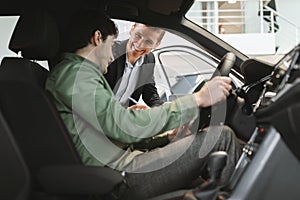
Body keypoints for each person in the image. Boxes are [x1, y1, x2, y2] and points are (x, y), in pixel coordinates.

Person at [46, 9, 241, 199]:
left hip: (124, 163)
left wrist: (166, 137)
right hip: (120, 177)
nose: (113, 56)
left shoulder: (79, 74)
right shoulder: (75, 75)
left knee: (202, 183)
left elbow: (112, 127)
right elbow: (122, 126)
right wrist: (197, 99)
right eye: (110, 44)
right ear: (98, 38)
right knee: (221, 137)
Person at [104, 23, 165, 108]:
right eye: (138, 36)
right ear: (132, 30)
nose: (139, 45)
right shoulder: (109, 50)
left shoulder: (149, 59)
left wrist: (163, 109)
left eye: (148, 42)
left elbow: (150, 93)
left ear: (156, 45)